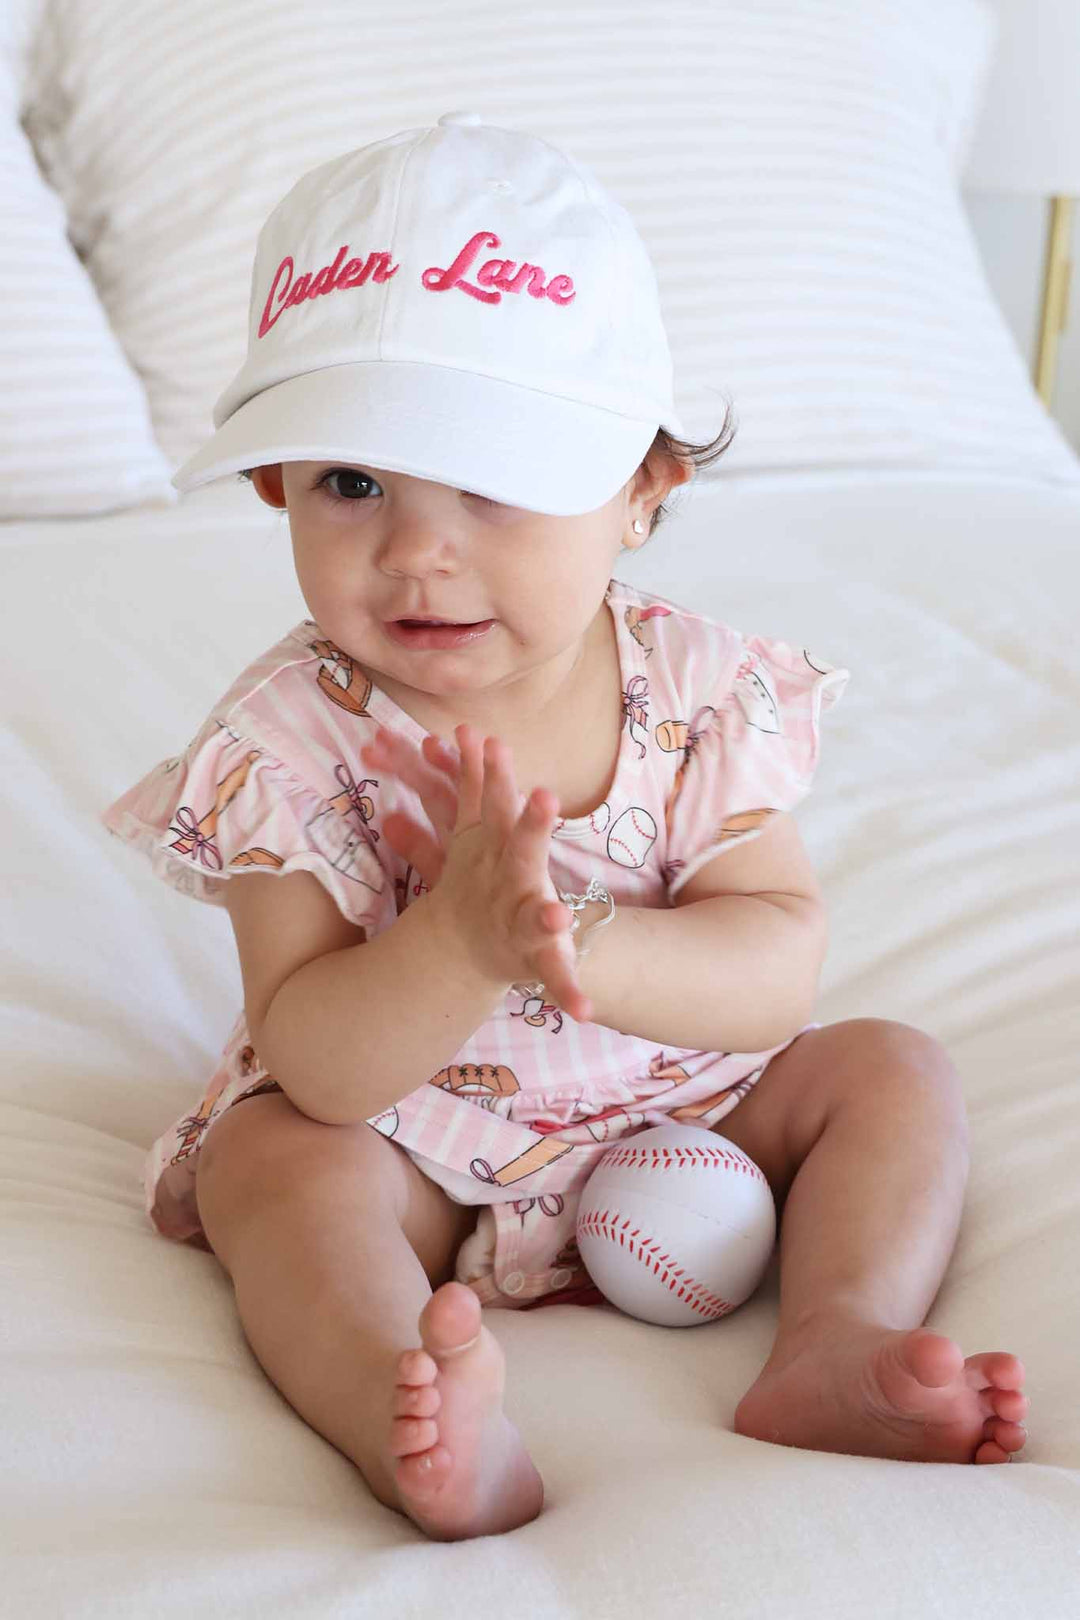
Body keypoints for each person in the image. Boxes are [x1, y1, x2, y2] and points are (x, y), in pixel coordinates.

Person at [102, 112, 1027, 1544]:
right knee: (273, 1172)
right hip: (414, 1147)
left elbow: (777, 961)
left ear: (644, 496)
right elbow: (316, 1058)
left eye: (495, 482)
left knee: (890, 1073)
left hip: (684, 1106)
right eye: (354, 482)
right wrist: (461, 944)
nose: (417, 551)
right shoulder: (284, 744)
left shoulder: (702, 690)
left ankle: (836, 1339)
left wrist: (569, 941)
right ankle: (398, 1399)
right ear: (276, 483)